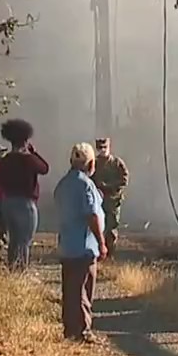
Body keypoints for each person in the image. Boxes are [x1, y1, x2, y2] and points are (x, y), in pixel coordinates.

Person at [54, 142, 108, 343]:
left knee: (69, 290)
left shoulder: (62, 184)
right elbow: (92, 215)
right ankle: (83, 331)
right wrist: (102, 243)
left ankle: (69, 329)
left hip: (67, 245)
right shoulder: (86, 184)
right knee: (84, 290)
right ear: (90, 163)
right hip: (84, 247)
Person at [0, 118, 50, 271]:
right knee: (25, 240)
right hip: (26, 204)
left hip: (8, 202)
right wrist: (34, 152)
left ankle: (12, 269)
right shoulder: (29, 160)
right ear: (25, 141)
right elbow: (45, 168)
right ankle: (22, 271)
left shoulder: (4, 161)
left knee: (14, 240)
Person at [90, 137, 129, 249]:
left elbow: (124, 179)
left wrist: (111, 187)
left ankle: (111, 250)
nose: (102, 150)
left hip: (113, 200)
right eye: (100, 148)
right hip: (98, 200)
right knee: (98, 225)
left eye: (105, 147)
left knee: (111, 226)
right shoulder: (94, 163)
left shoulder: (117, 163)